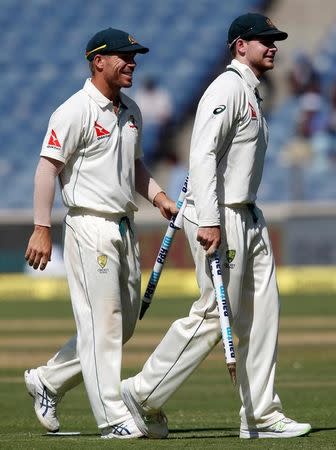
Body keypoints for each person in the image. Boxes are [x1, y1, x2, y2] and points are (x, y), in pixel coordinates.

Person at [120, 13, 312, 440]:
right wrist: (208, 219)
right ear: (239, 46)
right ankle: (141, 392)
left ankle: (260, 414)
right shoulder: (226, 88)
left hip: (248, 214)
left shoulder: (251, 91)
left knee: (264, 313)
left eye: (275, 40)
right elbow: (201, 155)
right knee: (213, 314)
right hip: (220, 214)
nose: (273, 46)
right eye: (263, 40)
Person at [24, 27, 177, 439]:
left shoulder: (131, 111)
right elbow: (47, 168)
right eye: (124, 56)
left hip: (123, 226)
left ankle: (48, 381)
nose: (132, 63)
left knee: (120, 326)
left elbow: (135, 167)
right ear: (98, 61)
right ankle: (112, 418)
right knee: (103, 325)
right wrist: (41, 227)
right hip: (89, 225)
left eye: (134, 56)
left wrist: (158, 196)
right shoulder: (74, 110)